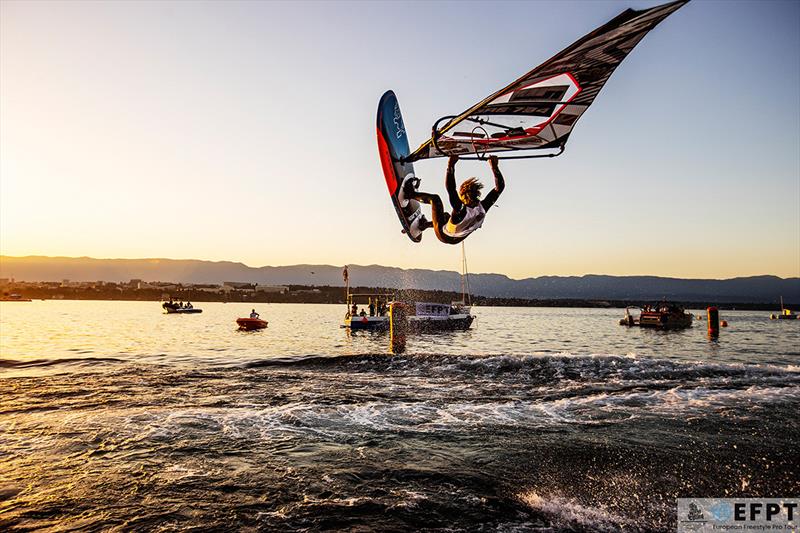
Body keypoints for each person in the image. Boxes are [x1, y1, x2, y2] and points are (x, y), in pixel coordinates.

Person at [404, 154, 505, 244]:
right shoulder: (483, 207)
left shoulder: (460, 210)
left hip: (443, 235)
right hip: (457, 238)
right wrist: (494, 167)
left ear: (463, 196)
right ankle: (424, 225)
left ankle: (409, 194)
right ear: (478, 194)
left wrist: (450, 165)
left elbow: (451, 189)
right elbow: (499, 188)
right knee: (446, 216)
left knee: (435, 200)